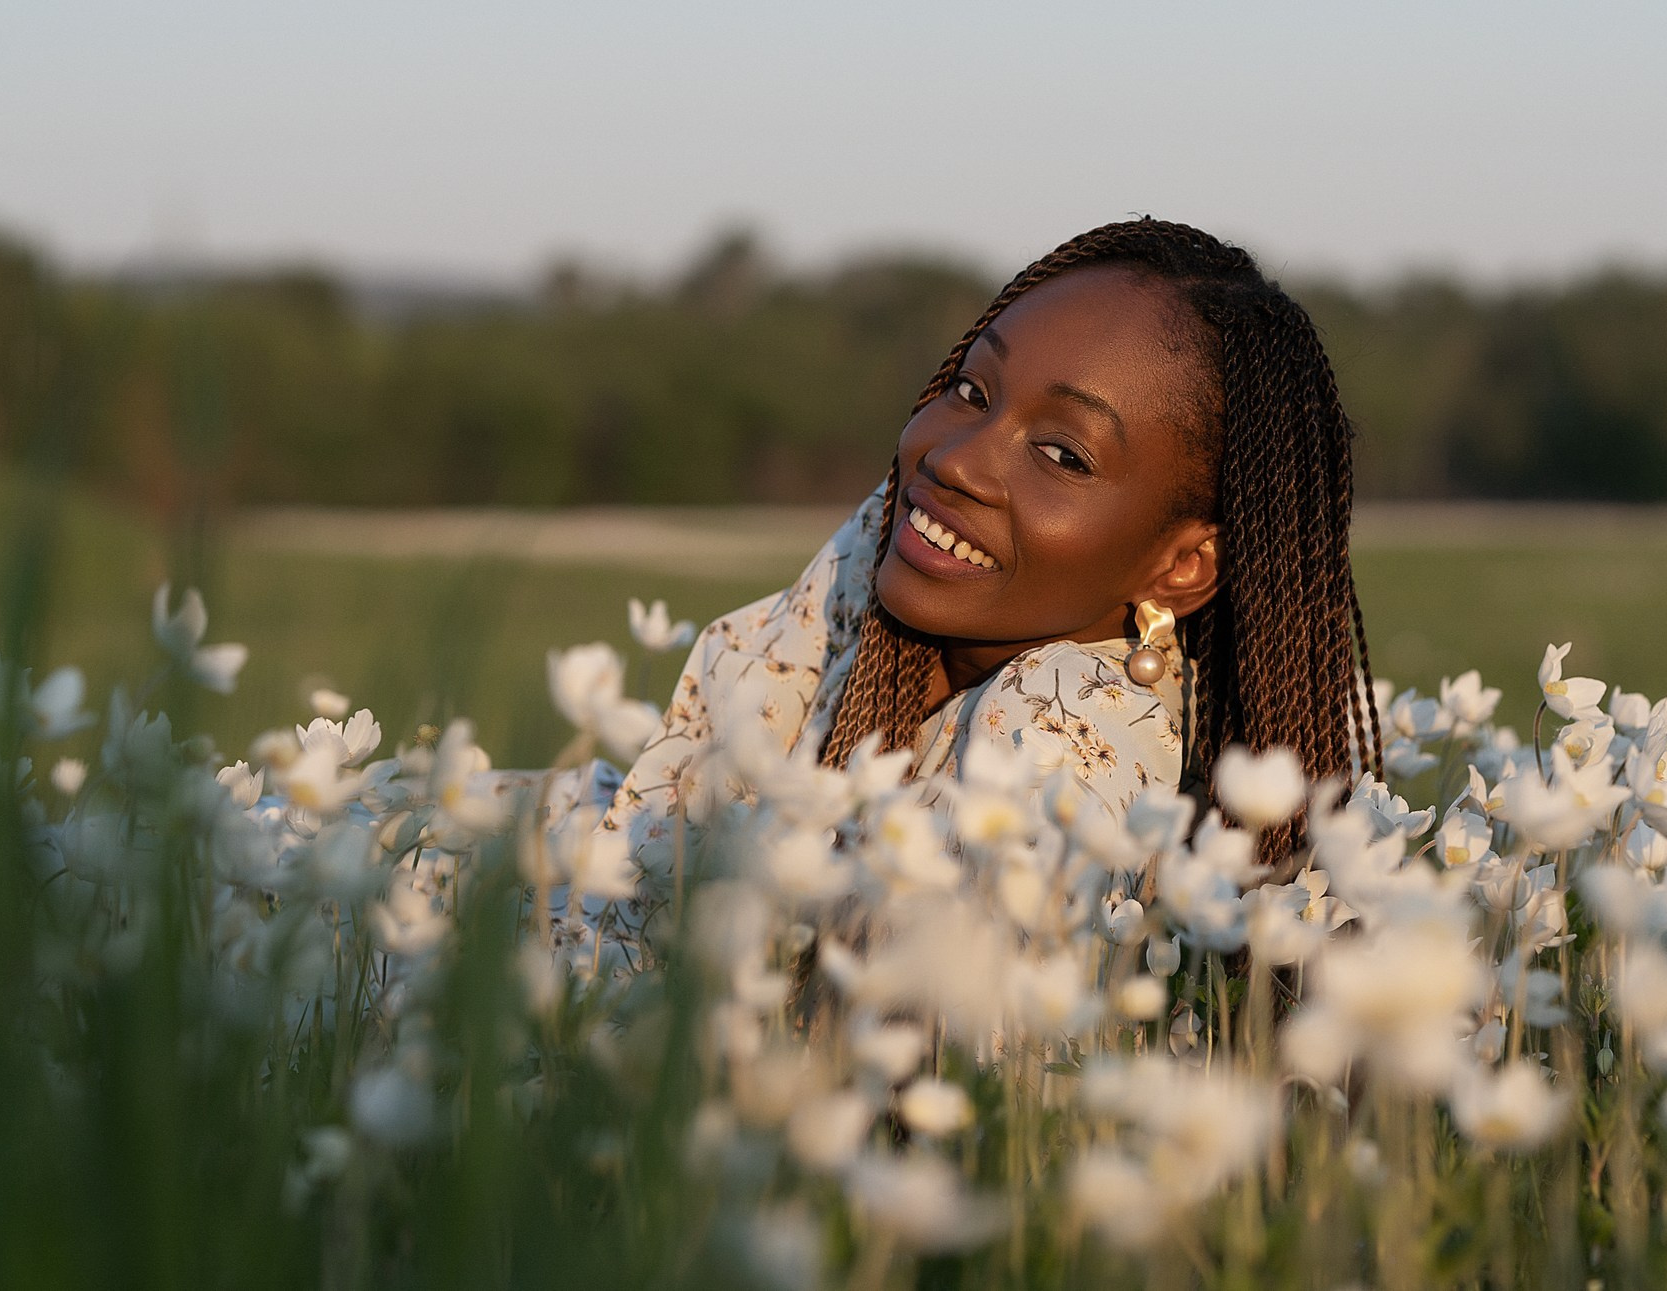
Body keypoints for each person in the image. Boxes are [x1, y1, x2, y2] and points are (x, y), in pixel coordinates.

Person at [543, 218, 1380, 953]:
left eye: (1064, 454)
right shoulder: (887, 581)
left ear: (1184, 564)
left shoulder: (1053, 740)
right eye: (971, 390)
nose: (953, 458)